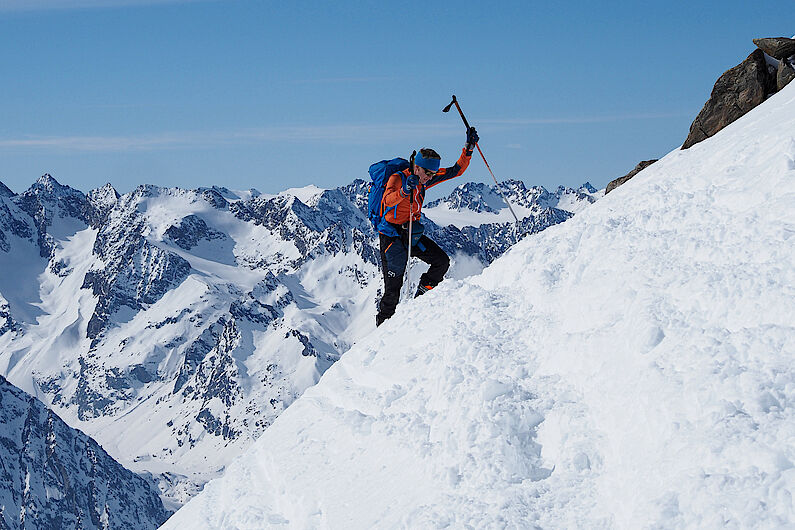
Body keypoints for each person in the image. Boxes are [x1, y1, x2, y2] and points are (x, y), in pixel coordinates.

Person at [375, 126, 479, 326]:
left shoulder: (423, 181)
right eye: (427, 173)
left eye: (432, 174)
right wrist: (405, 191)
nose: (430, 177)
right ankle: (381, 332)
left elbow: (456, 171)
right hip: (391, 237)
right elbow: (387, 201)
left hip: (411, 233)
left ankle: (420, 301)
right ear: (417, 167)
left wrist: (469, 148)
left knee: (441, 262)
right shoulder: (397, 179)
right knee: (392, 290)